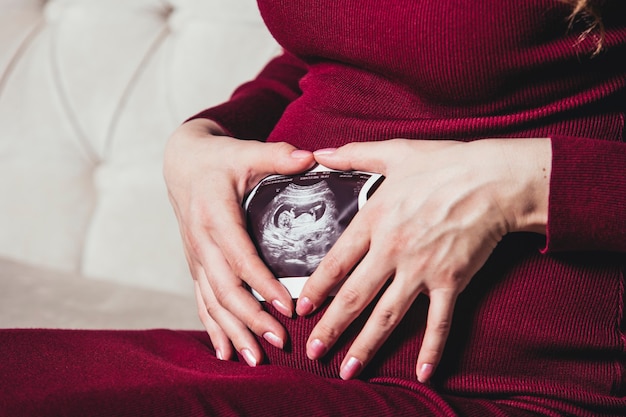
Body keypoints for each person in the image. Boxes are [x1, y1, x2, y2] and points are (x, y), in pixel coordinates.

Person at [1, 1, 624, 416]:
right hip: (266, 360)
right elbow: (330, 50)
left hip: (510, 388)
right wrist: (199, 140)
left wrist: (523, 185)